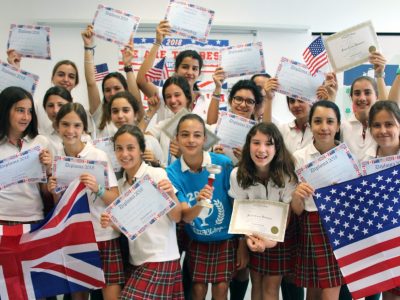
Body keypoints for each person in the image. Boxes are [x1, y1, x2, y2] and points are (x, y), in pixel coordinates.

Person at [166, 114, 248, 300]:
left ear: (205, 138)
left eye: (197, 135)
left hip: (225, 239)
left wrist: (241, 242)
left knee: (221, 289)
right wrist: (200, 204)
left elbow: (237, 203)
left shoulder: (223, 164)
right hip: (197, 239)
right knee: (198, 290)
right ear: (176, 138)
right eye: (185, 135)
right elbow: (185, 216)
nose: (191, 140)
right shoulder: (172, 172)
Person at [47, 103, 122, 300]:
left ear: (84, 128)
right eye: (65, 124)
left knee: (110, 293)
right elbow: (60, 206)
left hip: (102, 235)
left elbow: (116, 199)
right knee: (78, 294)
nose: (70, 131)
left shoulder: (98, 156)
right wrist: (54, 191)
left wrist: (98, 189)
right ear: (57, 126)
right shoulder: (58, 158)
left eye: (76, 125)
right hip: (75, 236)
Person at [100, 124, 183, 299]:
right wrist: (111, 222)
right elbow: (128, 227)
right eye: (119, 149)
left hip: (161, 257)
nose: (124, 154)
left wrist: (171, 195)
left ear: (141, 150)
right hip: (137, 260)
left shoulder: (156, 174)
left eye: (131, 148)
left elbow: (176, 217)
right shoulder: (121, 185)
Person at [229, 122, 298, 300]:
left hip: (280, 236)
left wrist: (269, 242)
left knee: (270, 288)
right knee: (256, 284)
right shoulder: (237, 174)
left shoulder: (287, 175)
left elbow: (288, 214)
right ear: (248, 145)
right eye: (256, 142)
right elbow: (241, 212)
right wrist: (248, 241)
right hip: (253, 234)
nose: (261, 149)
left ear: (277, 148)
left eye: (268, 144)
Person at [291, 100, 344, 300]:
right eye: (318, 121)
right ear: (310, 125)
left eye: (330, 121)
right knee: (312, 289)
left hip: (339, 227)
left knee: (331, 289)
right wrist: (297, 194)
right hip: (311, 224)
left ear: (338, 126)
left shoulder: (347, 155)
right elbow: (297, 210)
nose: (324, 127)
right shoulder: (299, 157)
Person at [137, 20, 222, 122]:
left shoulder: (206, 102)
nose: (190, 72)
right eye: (185, 67)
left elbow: (211, 128)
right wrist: (157, 43)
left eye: (194, 69)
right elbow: (142, 81)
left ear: (199, 73)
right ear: (176, 69)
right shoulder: (164, 95)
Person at [364, 101, 400, 300]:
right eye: (377, 125)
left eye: (389, 124)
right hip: (378, 242)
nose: (383, 130)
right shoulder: (364, 162)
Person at [0, 86, 52, 224]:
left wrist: (48, 169)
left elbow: (47, 192)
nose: (26, 117)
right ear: (5, 111)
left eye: (30, 111)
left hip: (33, 218)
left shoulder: (41, 142)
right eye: (20, 110)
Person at [81, 25, 143, 138]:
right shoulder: (100, 114)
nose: (112, 93)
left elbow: (136, 99)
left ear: (126, 89)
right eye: (107, 90)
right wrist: (88, 47)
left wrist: (128, 66)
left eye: (117, 88)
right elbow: (91, 83)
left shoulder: (134, 113)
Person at [107, 91, 163, 166]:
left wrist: (156, 162)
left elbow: (165, 171)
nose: (120, 116)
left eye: (126, 110)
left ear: (135, 114)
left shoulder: (151, 142)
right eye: (115, 111)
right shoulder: (106, 146)